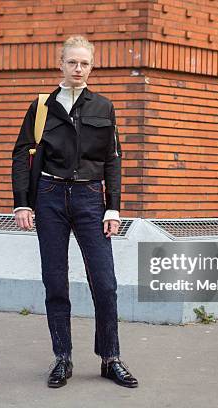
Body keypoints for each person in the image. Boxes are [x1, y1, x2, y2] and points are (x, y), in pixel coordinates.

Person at [11, 35, 138, 389]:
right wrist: (22, 201)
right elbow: (21, 153)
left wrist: (113, 208)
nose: (78, 69)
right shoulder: (41, 107)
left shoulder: (104, 107)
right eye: (72, 62)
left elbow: (113, 160)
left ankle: (110, 357)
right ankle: (62, 357)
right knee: (55, 279)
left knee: (106, 283)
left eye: (84, 63)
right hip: (49, 197)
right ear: (61, 64)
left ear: (91, 67)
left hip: (89, 200)